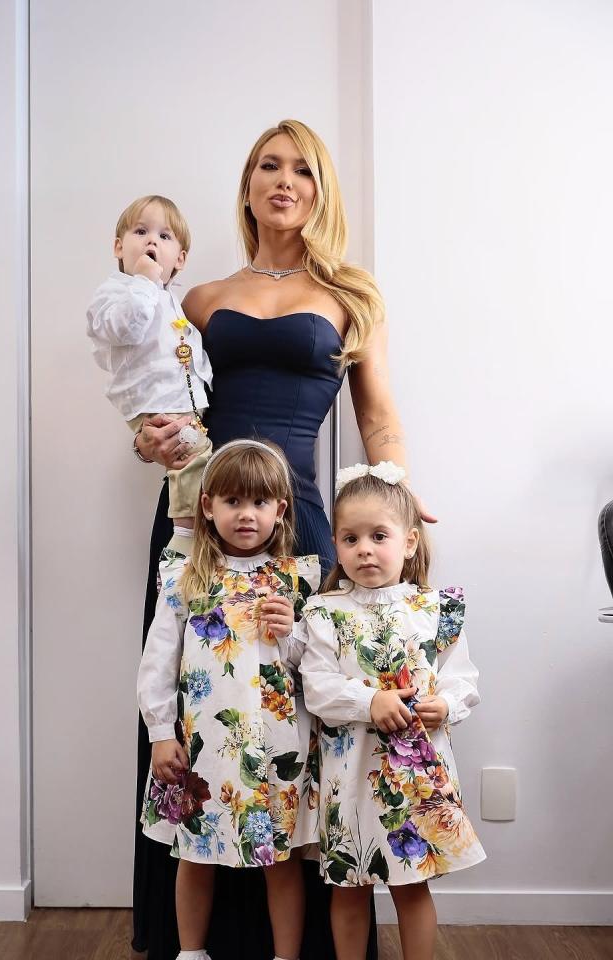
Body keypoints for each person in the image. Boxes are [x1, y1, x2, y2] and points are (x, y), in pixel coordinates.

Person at [132, 119, 434, 959]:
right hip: (201, 522)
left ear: (319, 190)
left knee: (304, 714)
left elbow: (378, 417)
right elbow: (161, 409)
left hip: (300, 521)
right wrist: (148, 441)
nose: (284, 180)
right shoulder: (198, 298)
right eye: (269, 165)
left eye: (302, 169)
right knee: (193, 704)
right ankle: (193, 940)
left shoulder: (351, 295)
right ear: (248, 185)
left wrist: (398, 499)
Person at [137, 439, 320, 960]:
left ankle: (286, 956)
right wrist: (160, 732)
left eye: (259, 502)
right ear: (208, 505)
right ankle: (191, 952)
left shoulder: (295, 578)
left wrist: (292, 632)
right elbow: (158, 661)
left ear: (280, 510)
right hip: (204, 748)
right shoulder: (186, 576)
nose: (246, 514)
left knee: (280, 858)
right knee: (194, 851)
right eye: (233, 501)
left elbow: (313, 667)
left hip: (277, 746)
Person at [299, 463, 486, 960]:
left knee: (412, 884)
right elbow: (317, 687)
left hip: (414, 777)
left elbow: (462, 677)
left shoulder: (434, 609)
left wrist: (445, 704)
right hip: (350, 775)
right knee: (349, 887)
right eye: (350, 538)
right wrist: (369, 701)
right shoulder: (324, 612)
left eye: (378, 536)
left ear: (409, 542)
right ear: (336, 545)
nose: (364, 549)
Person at [86, 195, 212, 546]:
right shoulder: (117, 292)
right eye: (141, 232)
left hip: (179, 401)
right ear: (118, 247)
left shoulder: (169, 298)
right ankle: (185, 538)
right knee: (191, 461)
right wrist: (143, 281)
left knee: (197, 462)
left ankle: (191, 532)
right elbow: (125, 328)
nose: (152, 241)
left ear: (180, 259)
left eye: (164, 236)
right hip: (155, 402)